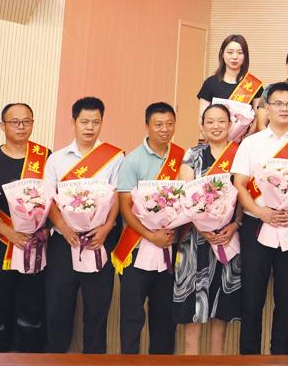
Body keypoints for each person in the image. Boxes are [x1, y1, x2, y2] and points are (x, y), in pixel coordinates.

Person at [231, 82, 288, 355]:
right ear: (266, 108)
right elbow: (239, 185)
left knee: (286, 299)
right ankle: (249, 358)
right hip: (256, 225)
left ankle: (282, 357)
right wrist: (260, 212)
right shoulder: (251, 143)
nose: (284, 109)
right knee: (252, 298)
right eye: (278, 103)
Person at [42, 97, 124, 353]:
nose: (90, 127)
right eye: (84, 122)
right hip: (63, 241)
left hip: (99, 239)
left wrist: (107, 227)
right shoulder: (56, 159)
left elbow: (116, 197)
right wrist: (64, 228)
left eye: (95, 122)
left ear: (102, 123)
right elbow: (49, 199)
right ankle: (55, 357)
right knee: (57, 306)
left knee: (97, 309)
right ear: (73, 122)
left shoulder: (114, 157)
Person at [113, 102, 185, 355]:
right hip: (136, 248)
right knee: (132, 316)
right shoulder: (132, 161)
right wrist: (150, 235)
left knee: (164, 316)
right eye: (158, 124)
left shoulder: (182, 158)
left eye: (170, 124)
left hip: (168, 248)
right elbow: (125, 207)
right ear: (147, 126)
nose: (165, 129)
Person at [173, 104, 242, 355]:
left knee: (220, 308)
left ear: (230, 125)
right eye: (210, 121)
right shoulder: (193, 155)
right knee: (192, 309)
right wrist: (202, 228)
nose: (216, 126)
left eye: (221, 121)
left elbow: (245, 195)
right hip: (195, 242)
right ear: (202, 126)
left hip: (227, 240)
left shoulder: (239, 155)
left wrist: (235, 224)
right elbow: (184, 196)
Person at [0, 103, 48, 352]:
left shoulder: (45, 158)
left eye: (26, 121)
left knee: (31, 305)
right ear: (2, 126)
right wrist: (9, 232)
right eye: (14, 122)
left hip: (34, 245)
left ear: (32, 123)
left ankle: (28, 355)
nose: (21, 126)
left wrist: (45, 228)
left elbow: (53, 201)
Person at [198, 34, 262, 135]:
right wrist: (214, 139)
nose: (234, 57)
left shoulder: (253, 84)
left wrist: (246, 139)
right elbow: (202, 117)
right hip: (214, 139)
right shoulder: (210, 83)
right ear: (222, 54)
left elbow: (258, 118)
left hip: (243, 142)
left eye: (240, 53)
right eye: (230, 52)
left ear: (245, 56)